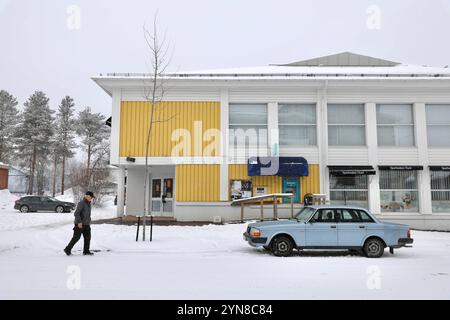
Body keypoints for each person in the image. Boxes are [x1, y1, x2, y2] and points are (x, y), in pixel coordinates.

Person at [64, 191, 95, 256]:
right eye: (91, 197)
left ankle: (86, 251)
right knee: (76, 238)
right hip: (79, 224)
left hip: (86, 224)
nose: (91, 198)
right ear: (87, 196)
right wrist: (79, 222)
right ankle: (67, 249)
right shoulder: (81, 203)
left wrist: (89, 220)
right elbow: (76, 213)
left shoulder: (88, 203)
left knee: (88, 238)